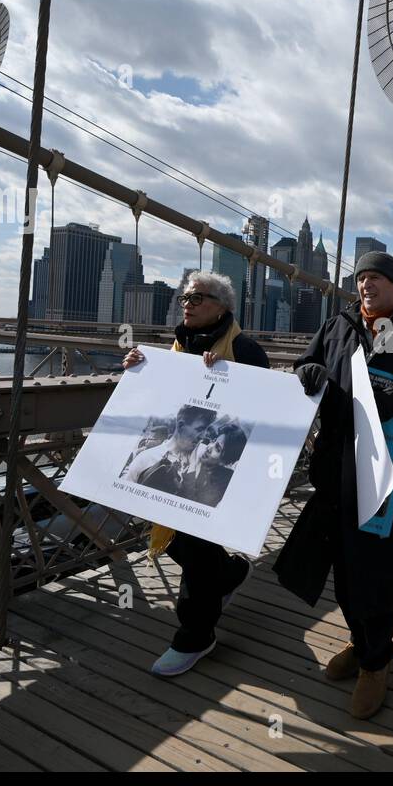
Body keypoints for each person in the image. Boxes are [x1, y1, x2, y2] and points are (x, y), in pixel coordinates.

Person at [274, 251, 393, 719]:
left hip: (389, 480)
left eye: (376, 278)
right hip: (336, 471)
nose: (365, 285)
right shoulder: (338, 325)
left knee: (376, 573)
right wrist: (308, 374)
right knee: (342, 569)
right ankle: (361, 645)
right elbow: (303, 365)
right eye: (360, 278)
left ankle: (377, 662)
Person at [120, 270, 270, 677]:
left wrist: (226, 381)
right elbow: (159, 399)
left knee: (198, 552)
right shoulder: (177, 347)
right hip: (176, 470)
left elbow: (263, 411)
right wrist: (137, 369)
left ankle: (195, 636)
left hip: (213, 478)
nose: (187, 303)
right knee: (175, 541)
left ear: (222, 307)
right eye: (185, 297)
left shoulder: (245, 349)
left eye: (197, 298)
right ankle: (231, 573)